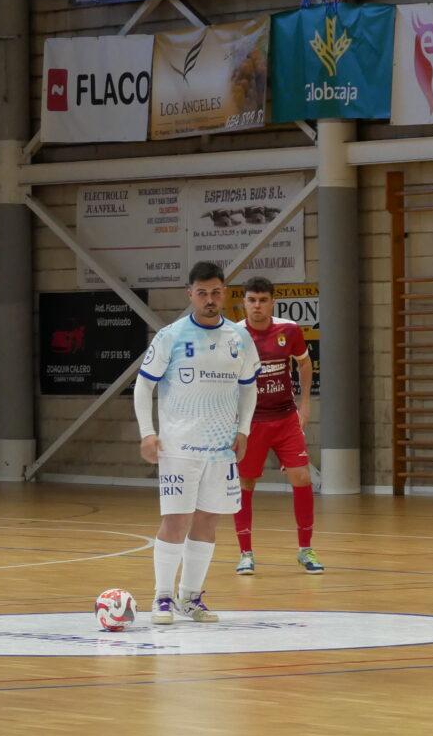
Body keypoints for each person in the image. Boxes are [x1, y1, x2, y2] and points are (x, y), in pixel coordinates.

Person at [135, 261, 261, 624]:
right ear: (190, 294)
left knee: (207, 521)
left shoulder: (239, 338)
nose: (209, 299)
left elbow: (249, 388)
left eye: (216, 292)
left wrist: (244, 430)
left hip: (221, 450)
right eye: (202, 293)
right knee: (177, 520)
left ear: (225, 294)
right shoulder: (171, 336)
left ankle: (190, 597)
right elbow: (143, 385)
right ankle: (162, 597)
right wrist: (147, 432)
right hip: (178, 448)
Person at [232, 276, 323, 575]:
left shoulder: (289, 330)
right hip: (251, 422)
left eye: (263, 300)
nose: (257, 306)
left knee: (302, 477)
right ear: (244, 303)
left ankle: (305, 550)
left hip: (285, 418)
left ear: (272, 302)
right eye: (252, 300)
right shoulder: (233, 335)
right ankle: (245, 553)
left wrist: (304, 403)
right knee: (246, 483)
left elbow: (304, 363)